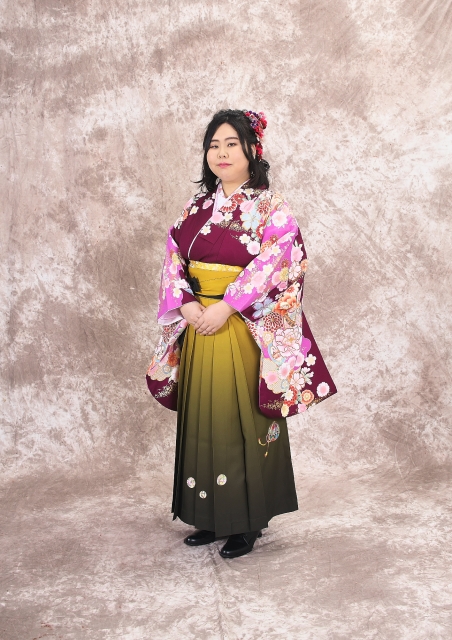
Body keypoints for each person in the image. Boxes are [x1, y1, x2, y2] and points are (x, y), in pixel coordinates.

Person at [147, 109, 336, 559]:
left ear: (253, 150)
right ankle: (210, 515)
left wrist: (228, 305)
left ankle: (248, 520)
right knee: (204, 418)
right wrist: (187, 305)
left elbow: (280, 260)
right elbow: (174, 257)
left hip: (240, 326)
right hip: (199, 323)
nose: (221, 153)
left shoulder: (271, 207)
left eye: (231, 143)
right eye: (214, 145)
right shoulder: (197, 207)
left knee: (240, 420)